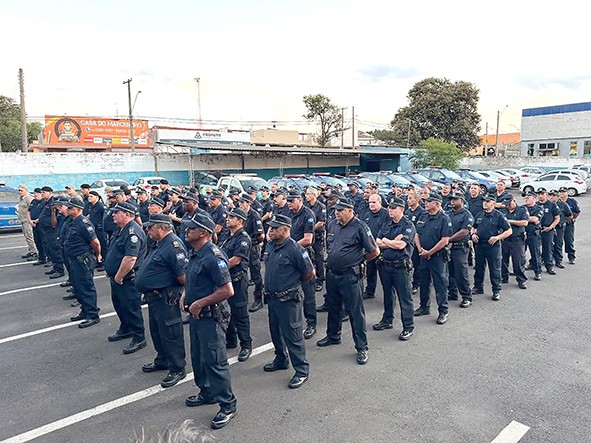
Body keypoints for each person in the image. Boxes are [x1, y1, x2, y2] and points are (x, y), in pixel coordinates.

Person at [181, 212, 237, 431]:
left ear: (203, 233)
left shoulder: (213, 256)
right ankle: (207, 392)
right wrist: (186, 296)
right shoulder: (196, 253)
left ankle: (227, 405)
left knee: (215, 361)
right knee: (198, 357)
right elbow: (193, 279)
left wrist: (200, 303)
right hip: (197, 315)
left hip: (211, 315)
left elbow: (227, 290)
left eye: (191, 229)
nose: (186, 231)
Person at [317, 198, 379, 365]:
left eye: (340, 210)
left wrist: (359, 260)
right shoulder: (333, 225)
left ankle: (361, 347)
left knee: (355, 312)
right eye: (336, 210)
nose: (336, 212)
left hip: (350, 276)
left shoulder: (360, 227)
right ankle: (333, 335)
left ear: (350, 211)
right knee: (333, 307)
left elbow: (374, 251)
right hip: (333, 275)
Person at [135, 214, 188, 388]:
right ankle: (163, 359)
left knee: (171, 333)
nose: (147, 229)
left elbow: (182, 276)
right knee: (157, 331)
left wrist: (183, 294)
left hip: (167, 297)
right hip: (155, 297)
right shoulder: (159, 244)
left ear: (162, 227)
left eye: (151, 227)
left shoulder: (173, 246)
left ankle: (177, 368)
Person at [262, 214, 314, 389]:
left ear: (285, 229)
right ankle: (281, 359)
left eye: (275, 228)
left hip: (289, 299)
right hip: (273, 298)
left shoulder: (295, 249)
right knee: (275, 332)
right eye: (270, 227)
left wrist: (291, 285)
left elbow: (308, 273)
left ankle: (301, 370)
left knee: (293, 335)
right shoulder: (270, 245)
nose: (271, 231)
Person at [104, 201, 147, 354]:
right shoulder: (121, 229)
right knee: (119, 305)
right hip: (118, 276)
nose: (113, 214)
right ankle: (126, 328)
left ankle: (139, 337)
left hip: (128, 278)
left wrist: (119, 276)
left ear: (127, 214)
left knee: (131, 308)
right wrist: (110, 269)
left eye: (117, 212)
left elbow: (130, 258)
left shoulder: (132, 232)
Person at [374, 197, 416, 340]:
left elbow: (401, 245)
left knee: (405, 298)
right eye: (389, 208)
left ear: (401, 210)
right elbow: (377, 242)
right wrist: (389, 241)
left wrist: (386, 241)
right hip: (386, 264)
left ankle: (408, 327)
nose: (390, 210)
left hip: (401, 267)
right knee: (388, 295)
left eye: (393, 208)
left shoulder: (408, 226)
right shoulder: (387, 224)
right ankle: (387, 320)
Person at [219, 208, 253, 362]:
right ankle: (231, 339)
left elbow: (235, 260)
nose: (228, 218)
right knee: (226, 311)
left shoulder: (243, 238)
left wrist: (218, 267)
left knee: (240, 313)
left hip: (237, 280)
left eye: (232, 217)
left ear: (240, 221)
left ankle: (246, 345)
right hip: (226, 279)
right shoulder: (227, 234)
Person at [413, 192, 452, 324]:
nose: (426, 203)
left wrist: (429, 252)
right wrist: (420, 249)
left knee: (440, 284)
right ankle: (424, 307)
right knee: (424, 282)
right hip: (422, 255)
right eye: (425, 201)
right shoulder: (423, 216)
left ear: (437, 203)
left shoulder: (444, 219)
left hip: (437, 257)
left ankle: (443, 311)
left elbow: (445, 240)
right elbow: (416, 234)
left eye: (429, 201)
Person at [63, 198, 102, 328]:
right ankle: (85, 311)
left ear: (78, 210)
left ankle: (92, 315)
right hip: (73, 259)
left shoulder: (84, 223)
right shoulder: (72, 221)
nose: (67, 210)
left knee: (86, 287)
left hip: (82, 259)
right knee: (78, 287)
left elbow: (95, 242)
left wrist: (98, 255)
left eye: (70, 208)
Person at [471, 195, 512, 301]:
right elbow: (473, 227)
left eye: (487, 201)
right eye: (484, 201)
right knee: (479, 267)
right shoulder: (479, 214)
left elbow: (509, 231)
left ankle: (496, 290)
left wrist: (497, 237)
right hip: (480, 244)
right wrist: (473, 234)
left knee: (494, 268)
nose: (485, 203)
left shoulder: (499, 216)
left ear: (493, 203)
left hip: (493, 245)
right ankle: (478, 287)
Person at [446, 191, 475, 308]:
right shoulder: (448, 214)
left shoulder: (467, 215)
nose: (452, 201)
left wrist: (448, 240)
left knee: (461, 273)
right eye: (451, 199)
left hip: (460, 248)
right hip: (449, 248)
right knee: (450, 272)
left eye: (455, 199)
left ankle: (467, 296)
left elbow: (464, 232)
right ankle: (452, 293)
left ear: (462, 201)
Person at [239, 194, 265, 313]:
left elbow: (260, 235)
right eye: (240, 202)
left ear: (249, 203)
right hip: (241, 246)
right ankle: (242, 299)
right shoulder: (239, 213)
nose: (241, 204)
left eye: (243, 202)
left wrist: (255, 245)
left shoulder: (254, 215)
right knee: (242, 272)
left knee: (255, 274)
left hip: (252, 247)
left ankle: (258, 298)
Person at [361, 194, 389, 300]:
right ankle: (370, 291)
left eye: (374, 202)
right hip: (370, 248)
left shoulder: (386, 214)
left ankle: (389, 297)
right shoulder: (367, 214)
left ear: (380, 202)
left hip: (383, 249)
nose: (371, 204)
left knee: (385, 275)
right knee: (370, 271)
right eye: (370, 202)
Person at [500, 195, 529, 289]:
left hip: (517, 240)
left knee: (518, 261)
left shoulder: (522, 210)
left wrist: (510, 221)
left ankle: (521, 280)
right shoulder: (503, 210)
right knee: (503, 259)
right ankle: (504, 277)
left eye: (509, 204)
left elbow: (525, 222)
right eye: (506, 205)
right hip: (505, 239)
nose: (508, 206)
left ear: (514, 201)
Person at [38, 186, 65, 279]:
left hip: (53, 230)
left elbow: (56, 219)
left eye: (44, 192)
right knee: (49, 250)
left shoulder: (54, 203)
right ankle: (55, 266)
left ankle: (59, 269)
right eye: (42, 192)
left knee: (55, 250)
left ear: (50, 193)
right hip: (46, 230)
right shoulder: (45, 203)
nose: (42, 194)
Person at [305, 187, 327, 293]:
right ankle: (310, 278)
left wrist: (309, 229)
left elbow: (321, 222)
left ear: (314, 195)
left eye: (309, 194)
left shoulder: (321, 206)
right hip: (308, 236)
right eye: (306, 194)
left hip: (317, 236)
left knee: (318, 258)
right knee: (308, 257)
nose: (306, 196)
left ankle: (320, 279)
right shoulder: (306, 206)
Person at [536, 188, 560, 275]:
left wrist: (551, 227)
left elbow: (557, 218)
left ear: (546, 194)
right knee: (536, 249)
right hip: (537, 230)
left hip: (548, 230)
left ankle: (549, 266)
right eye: (538, 194)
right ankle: (534, 264)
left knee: (548, 249)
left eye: (542, 193)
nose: (540, 195)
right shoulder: (536, 205)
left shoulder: (552, 205)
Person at [405, 191, 424, 294]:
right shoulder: (407, 212)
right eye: (408, 198)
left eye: (410, 198)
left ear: (416, 200)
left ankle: (416, 284)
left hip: (416, 242)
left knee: (417, 265)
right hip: (408, 242)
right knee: (409, 264)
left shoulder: (421, 212)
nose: (408, 200)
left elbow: (420, 229)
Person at [550, 190, 572, 269]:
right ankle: (548, 259)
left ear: (558, 196)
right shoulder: (549, 204)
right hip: (550, 227)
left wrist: (563, 221)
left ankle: (558, 261)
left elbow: (569, 215)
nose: (552, 197)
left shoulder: (563, 204)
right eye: (551, 195)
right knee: (548, 244)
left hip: (559, 227)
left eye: (554, 196)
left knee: (558, 244)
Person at [524, 191, 544, 281]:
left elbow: (535, 219)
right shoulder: (522, 208)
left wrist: (523, 219)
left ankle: (537, 272)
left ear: (534, 199)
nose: (526, 199)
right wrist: (529, 219)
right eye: (526, 198)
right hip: (523, 234)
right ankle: (520, 271)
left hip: (533, 234)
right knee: (520, 255)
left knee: (535, 254)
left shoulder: (539, 208)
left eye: (528, 197)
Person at [558, 186, 580, 265]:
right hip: (559, 224)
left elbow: (577, 211)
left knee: (569, 240)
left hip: (568, 224)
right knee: (558, 242)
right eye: (560, 192)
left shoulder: (572, 201)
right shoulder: (557, 202)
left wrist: (572, 218)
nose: (562, 194)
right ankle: (557, 258)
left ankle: (571, 256)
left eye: (563, 192)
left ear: (567, 193)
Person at [16, 185, 38, 260]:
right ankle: (31, 250)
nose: (20, 192)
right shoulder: (22, 199)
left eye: (21, 190)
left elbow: (32, 209)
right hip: (23, 220)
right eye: (19, 190)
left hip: (27, 221)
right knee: (27, 237)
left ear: (26, 190)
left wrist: (31, 220)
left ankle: (34, 252)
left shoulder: (29, 198)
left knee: (30, 237)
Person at [29, 188, 48, 265]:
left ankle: (49, 258)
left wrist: (37, 220)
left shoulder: (44, 203)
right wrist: (30, 221)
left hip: (41, 225)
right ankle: (41, 258)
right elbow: (28, 211)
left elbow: (44, 214)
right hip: (34, 225)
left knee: (45, 242)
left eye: (38, 193)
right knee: (37, 242)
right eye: (34, 193)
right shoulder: (33, 201)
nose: (35, 194)